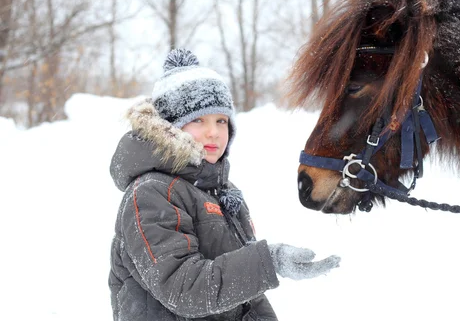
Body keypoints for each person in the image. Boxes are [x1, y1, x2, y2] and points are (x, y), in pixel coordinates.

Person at [108, 48, 341, 321]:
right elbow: (184, 289)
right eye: (198, 120)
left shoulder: (220, 191)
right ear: (169, 128)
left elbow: (245, 299)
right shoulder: (151, 193)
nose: (214, 132)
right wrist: (270, 261)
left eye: (221, 120)